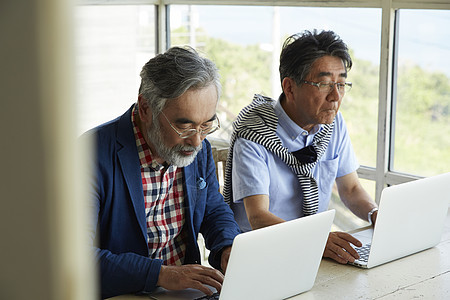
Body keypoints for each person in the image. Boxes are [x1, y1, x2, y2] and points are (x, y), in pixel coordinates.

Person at [84, 46, 241, 299]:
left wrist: (228, 247)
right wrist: (161, 274)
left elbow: (212, 209)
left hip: (187, 293)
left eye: (207, 124)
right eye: (185, 125)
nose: (197, 141)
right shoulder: (89, 155)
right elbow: (73, 258)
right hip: (121, 293)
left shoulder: (198, 148)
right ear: (146, 109)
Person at [224, 30, 378, 265]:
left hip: (314, 253)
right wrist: (316, 239)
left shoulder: (332, 123)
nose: (336, 96)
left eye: (342, 83)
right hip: (262, 256)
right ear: (290, 87)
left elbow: (351, 188)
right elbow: (257, 216)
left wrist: (375, 214)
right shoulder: (254, 134)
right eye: (325, 84)